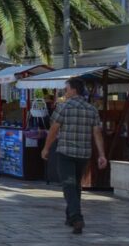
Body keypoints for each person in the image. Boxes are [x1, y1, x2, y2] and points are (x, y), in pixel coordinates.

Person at [41, 79, 107, 235]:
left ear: (74, 90)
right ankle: (70, 217)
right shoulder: (92, 109)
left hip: (65, 152)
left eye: (67, 88)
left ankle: (77, 218)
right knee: (75, 185)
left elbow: (54, 130)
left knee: (69, 185)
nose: (65, 91)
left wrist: (46, 148)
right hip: (84, 154)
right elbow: (97, 133)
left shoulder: (63, 107)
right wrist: (101, 155)